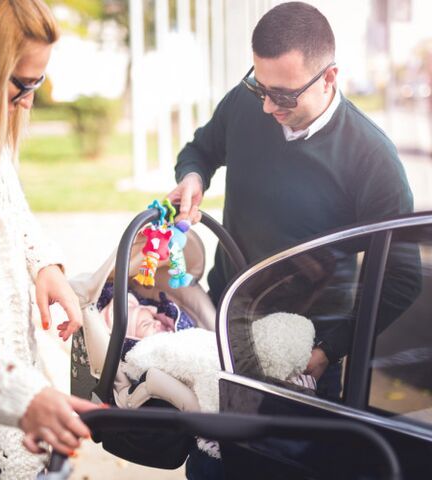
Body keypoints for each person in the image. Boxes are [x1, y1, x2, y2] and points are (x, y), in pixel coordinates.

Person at [167, 2, 414, 478]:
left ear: (329, 78)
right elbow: (200, 148)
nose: (266, 106)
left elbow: (402, 280)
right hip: (223, 331)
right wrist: (193, 177)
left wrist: (326, 353)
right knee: (210, 468)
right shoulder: (246, 101)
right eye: (260, 86)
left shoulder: (372, 158)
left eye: (282, 96)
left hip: (305, 359)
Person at [0, 1, 100, 478]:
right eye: (22, 85)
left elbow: (13, 208)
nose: (29, 102)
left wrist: (44, 263)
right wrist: (27, 398)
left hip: (15, 437)